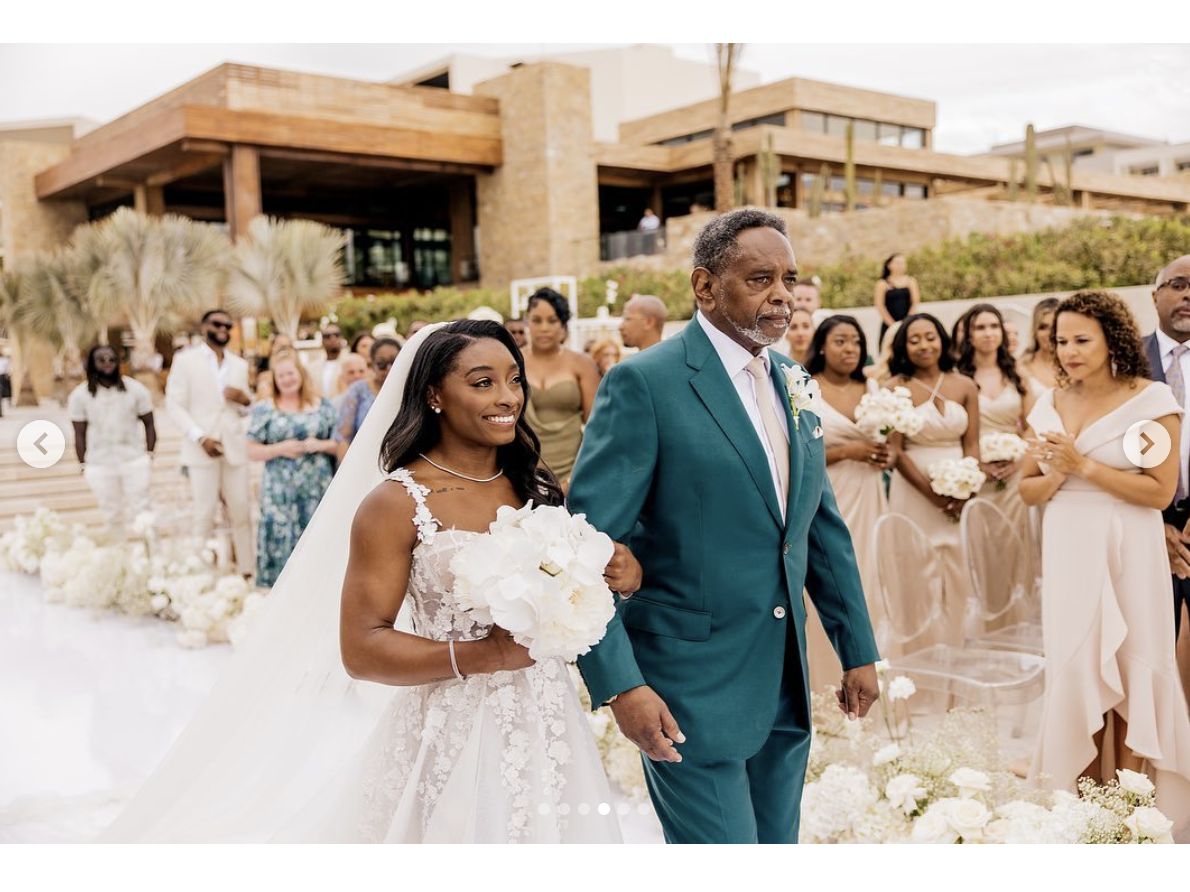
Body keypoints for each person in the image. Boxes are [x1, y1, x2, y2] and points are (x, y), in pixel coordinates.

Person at [101, 322, 634, 842]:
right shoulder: (397, 503)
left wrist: (619, 577)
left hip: (549, 721)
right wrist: (484, 655)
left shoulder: (535, 485)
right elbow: (362, 648)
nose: (508, 397)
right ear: (433, 395)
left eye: (514, 379)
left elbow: (566, 600)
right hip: (451, 728)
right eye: (482, 382)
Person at [569, 208, 880, 845]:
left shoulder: (795, 381)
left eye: (789, 279)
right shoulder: (644, 383)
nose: (783, 296)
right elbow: (583, 550)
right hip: (685, 686)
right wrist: (621, 684)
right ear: (704, 286)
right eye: (761, 278)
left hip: (782, 682)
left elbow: (818, 526)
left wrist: (857, 649)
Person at [1021, 290, 1190, 831]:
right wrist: (1058, 473)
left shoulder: (1151, 402)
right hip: (1069, 545)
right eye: (1061, 340)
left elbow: (1160, 493)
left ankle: (1134, 813)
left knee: (1133, 662)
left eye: (1081, 340)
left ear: (1111, 338)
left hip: (1131, 549)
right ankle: (1085, 812)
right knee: (1079, 665)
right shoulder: (1050, 403)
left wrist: (1082, 466)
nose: (1068, 351)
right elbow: (1027, 491)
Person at [805, 315, 892, 684]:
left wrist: (884, 455)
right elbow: (797, 454)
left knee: (874, 581)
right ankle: (826, 680)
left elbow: (890, 442)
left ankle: (877, 673)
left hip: (872, 493)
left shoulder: (874, 388)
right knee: (833, 581)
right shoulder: (806, 388)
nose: (850, 349)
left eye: (856, 341)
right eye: (841, 341)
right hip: (829, 493)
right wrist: (850, 451)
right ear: (822, 345)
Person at [885, 313, 981, 649]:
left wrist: (967, 489)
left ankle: (956, 647)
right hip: (914, 494)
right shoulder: (895, 388)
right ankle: (920, 654)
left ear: (942, 339)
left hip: (960, 496)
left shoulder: (965, 385)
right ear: (903, 347)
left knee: (957, 573)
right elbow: (896, 451)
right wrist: (934, 495)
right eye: (914, 340)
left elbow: (972, 444)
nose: (924, 345)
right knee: (917, 574)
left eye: (930, 337)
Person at [166, 309, 255, 578]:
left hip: (234, 449)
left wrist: (245, 400)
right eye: (217, 324)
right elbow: (174, 404)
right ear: (204, 326)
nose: (224, 329)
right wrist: (199, 437)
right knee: (203, 514)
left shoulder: (239, 364)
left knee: (241, 511)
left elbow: (246, 410)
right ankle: (198, 574)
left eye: (229, 325)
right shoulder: (185, 361)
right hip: (201, 447)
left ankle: (248, 571)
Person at [246, 349, 338, 587]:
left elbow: (341, 444)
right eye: (281, 375)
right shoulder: (265, 409)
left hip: (316, 486)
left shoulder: (322, 406)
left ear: (300, 373)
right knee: (281, 535)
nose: (287, 379)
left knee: (317, 535)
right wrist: (279, 449)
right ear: (275, 380)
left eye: (291, 373)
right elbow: (250, 450)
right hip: (280, 489)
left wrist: (320, 445)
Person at [1143, 256, 1190, 641]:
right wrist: (1156, 522)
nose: (1188, 295)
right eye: (1178, 285)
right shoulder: (1122, 362)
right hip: (1141, 523)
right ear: (1154, 295)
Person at [956, 304, 1034, 535]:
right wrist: (977, 463)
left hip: (1015, 471)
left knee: (1017, 537)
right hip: (974, 471)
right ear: (969, 335)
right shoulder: (958, 377)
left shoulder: (1018, 374)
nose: (988, 333)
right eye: (980, 327)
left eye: (994, 326)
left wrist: (1019, 460)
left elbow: (1030, 426)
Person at [68, 345, 157, 539]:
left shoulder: (135, 389)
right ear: (92, 364)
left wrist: (149, 455)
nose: (107, 364)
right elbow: (79, 433)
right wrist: (83, 464)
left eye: (111, 359)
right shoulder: (79, 396)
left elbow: (149, 423)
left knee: (143, 512)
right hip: (100, 464)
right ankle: (118, 561)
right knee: (111, 515)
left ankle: (152, 560)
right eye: (101, 360)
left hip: (133, 460)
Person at [522, 288, 599, 491]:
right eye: (536, 320)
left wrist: (572, 481)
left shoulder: (582, 364)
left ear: (563, 325)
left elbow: (597, 427)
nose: (544, 328)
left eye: (552, 320)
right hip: (522, 468)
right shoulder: (513, 361)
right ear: (527, 322)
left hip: (573, 470)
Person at [335, 337, 401, 461]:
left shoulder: (411, 390)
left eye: (394, 362)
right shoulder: (358, 391)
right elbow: (342, 438)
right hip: (363, 463)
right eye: (382, 364)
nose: (389, 368)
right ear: (372, 364)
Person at [874, 253, 920, 348]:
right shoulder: (882, 283)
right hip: (889, 323)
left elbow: (915, 302)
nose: (900, 266)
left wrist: (906, 322)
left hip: (908, 322)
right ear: (889, 265)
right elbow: (880, 306)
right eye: (897, 263)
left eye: (903, 263)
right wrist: (893, 325)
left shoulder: (911, 281)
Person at [1021, 297, 1060, 394]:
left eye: (1055, 327)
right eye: (1043, 327)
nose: (1050, 334)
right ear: (1035, 330)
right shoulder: (1022, 366)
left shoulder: (1076, 365)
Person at [304, 323, 344, 399]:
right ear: (322, 341)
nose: (333, 339)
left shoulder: (351, 363)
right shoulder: (311, 368)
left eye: (336, 335)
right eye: (327, 336)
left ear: (341, 338)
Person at [254, 332, 294, 401]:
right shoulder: (264, 377)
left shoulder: (300, 377)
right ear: (272, 349)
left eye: (287, 346)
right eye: (280, 346)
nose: (284, 350)